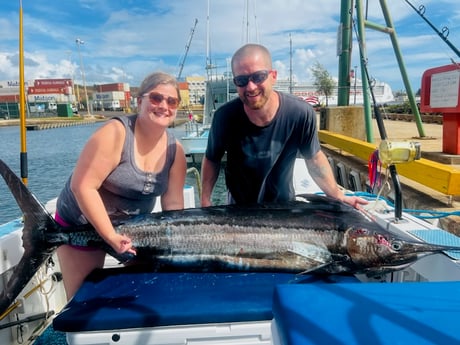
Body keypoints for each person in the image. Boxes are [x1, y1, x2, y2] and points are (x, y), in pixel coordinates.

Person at [55, 71, 187, 299]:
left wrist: (175, 244)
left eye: (171, 101)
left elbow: (173, 204)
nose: (164, 105)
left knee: (139, 294)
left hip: (132, 230)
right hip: (81, 225)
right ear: (139, 102)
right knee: (83, 299)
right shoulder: (115, 133)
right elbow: (83, 187)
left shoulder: (176, 151)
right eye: (156, 98)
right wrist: (109, 235)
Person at [201, 43, 367, 209]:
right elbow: (212, 159)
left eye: (258, 77)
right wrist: (205, 200)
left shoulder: (300, 113)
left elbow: (314, 159)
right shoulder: (224, 117)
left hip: (285, 209)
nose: (250, 87)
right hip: (239, 209)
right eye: (241, 80)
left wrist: (338, 195)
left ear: (273, 76)